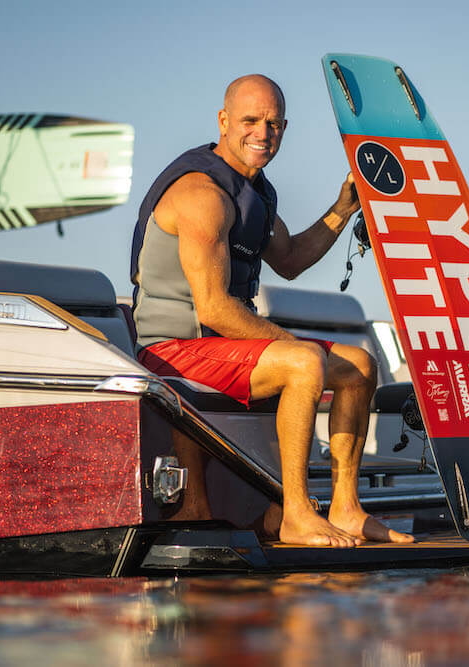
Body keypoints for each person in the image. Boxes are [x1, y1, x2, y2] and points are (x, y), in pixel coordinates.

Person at [131, 74, 414, 547]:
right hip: (173, 350)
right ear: (223, 122)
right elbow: (215, 309)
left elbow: (291, 259)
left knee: (360, 366)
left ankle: (344, 508)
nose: (262, 133)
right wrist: (300, 349)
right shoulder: (204, 195)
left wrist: (342, 210)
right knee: (305, 361)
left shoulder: (255, 192)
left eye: (274, 123)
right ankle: (295, 513)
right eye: (249, 120)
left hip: (220, 346)